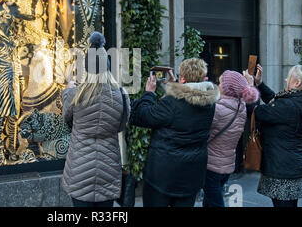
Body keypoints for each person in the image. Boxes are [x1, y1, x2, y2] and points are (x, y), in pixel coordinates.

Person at [130, 58, 220, 207]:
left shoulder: (171, 103)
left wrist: (149, 94)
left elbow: (142, 117)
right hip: (191, 174)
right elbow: (186, 100)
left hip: (163, 175)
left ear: (183, 78)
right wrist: (174, 87)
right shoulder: (209, 103)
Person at [61, 32, 130, 207]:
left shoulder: (75, 95)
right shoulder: (121, 95)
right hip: (108, 168)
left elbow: (67, 120)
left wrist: (67, 91)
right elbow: (121, 126)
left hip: (79, 168)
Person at [245, 64, 302, 208]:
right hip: (294, 165)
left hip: (283, 168)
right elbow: (275, 102)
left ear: (298, 83)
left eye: (290, 77)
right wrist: (259, 84)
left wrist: (250, 88)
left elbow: (257, 112)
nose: (286, 79)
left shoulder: (289, 105)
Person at [203, 70, 260, 207]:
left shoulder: (218, 109)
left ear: (227, 88)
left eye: (221, 82)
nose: (218, 84)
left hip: (212, 165)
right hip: (227, 163)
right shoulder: (241, 106)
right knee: (211, 199)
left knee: (214, 202)